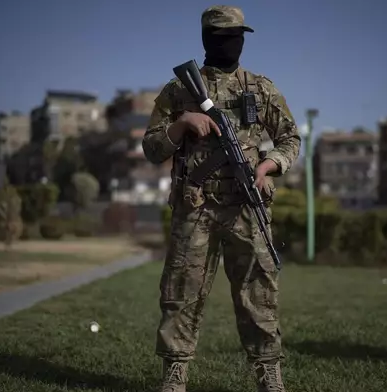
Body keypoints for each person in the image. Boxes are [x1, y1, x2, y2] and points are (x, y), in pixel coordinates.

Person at [142, 5, 301, 392]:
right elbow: (151, 148)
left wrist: (269, 166)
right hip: (194, 206)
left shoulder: (259, 87)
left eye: (236, 38)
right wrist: (182, 124)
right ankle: (175, 373)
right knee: (181, 293)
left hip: (247, 208)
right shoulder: (179, 90)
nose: (230, 45)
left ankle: (268, 372)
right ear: (207, 40)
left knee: (258, 293)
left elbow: (290, 139)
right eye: (222, 38)